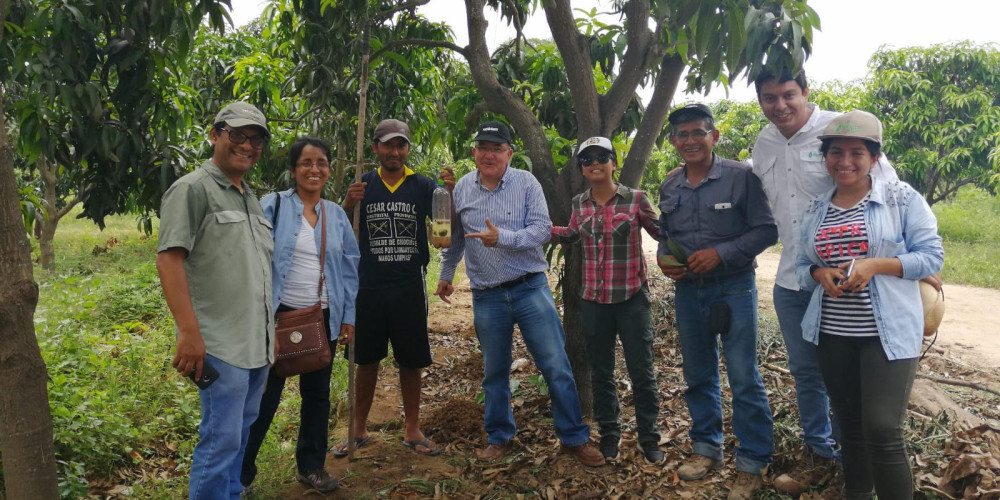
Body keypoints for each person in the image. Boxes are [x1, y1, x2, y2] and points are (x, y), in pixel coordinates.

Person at [751, 68, 906, 494]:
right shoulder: (763, 143)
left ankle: (856, 459)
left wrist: (908, 261)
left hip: (850, 285)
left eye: (788, 95)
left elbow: (891, 195)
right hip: (793, 279)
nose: (779, 106)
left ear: (805, 92)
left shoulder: (842, 134)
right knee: (806, 373)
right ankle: (821, 452)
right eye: (769, 98)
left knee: (850, 379)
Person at [434, 121, 605, 467]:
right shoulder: (463, 188)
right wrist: (446, 275)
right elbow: (455, 238)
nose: (489, 154)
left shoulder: (526, 182)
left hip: (529, 288)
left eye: (497, 148)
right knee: (494, 371)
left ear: (509, 153)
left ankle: (574, 437)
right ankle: (499, 436)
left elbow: (542, 229)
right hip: (487, 296)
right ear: (474, 152)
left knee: (556, 366)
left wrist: (504, 238)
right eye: (483, 147)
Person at [796, 110, 943, 500]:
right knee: (850, 423)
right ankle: (858, 493)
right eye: (836, 152)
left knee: (882, 428)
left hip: (887, 333)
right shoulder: (816, 209)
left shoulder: (900, 199)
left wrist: (877, 265)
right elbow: (798, 267)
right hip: (833, 334)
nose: (845, 162)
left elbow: (931, 258)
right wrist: (817, 273)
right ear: (824, 157)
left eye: (857, 153)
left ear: (874, 158)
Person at [657, 104, 777, 500]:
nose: (690, 141)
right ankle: (706, 447)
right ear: (674, 141)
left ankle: (752, 460)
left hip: (733, 287)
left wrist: (721, 254)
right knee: (698, 374)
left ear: (714, 137)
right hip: (689, 291)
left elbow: (765, 230)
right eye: (682, 135)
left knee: (743, 376)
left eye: (698, 133)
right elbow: (665, 233)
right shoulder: (671, 184)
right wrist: (663, 257)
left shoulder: (741, 178)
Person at [156, 102, 274, 500]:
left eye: (255, 139)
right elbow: (170, 259)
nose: (247, 145)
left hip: (257, 344)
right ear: (215, 134)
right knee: (220, 441)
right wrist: (189, 332)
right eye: (237, 134)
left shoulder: (250, 197)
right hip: (220, 345)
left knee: (240, 438)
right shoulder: (193, 189)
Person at [240, 137, 360, 493]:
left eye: (321, 162)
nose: (314, 169)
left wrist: (348, 316)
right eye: (306, 163)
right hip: (278, 317)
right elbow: (251, 254)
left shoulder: (336, 214)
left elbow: (351, 268)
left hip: (323, 317)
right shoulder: (273, 206)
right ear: (293, 170)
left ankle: (311, 467)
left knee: (318, 396)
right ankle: (241, 474)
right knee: (263, 399)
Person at [338, 119, 453, 457]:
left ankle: (412, 428)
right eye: (388, 145)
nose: (395, 151)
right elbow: (341, 235)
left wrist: (451, 195)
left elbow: (444, 234)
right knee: (366, 359)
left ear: (407, 148)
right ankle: (357, 428)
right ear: (375, 148)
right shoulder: (362, 185)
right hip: (368, 286)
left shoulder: (423, 185)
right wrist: (347, 203)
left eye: (401, 145)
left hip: (408, 285)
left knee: (410, 359)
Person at [550, 136, 663, 464]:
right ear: (582, 169)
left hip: (631, 300)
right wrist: (531, 231)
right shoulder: (579, 204)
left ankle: (649, 437)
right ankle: (610, 434)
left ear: (614, 162)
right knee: (601, 372)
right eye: (587, 159)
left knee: (641, 371)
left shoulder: (636, 199)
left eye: (602, 156)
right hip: (593, 301)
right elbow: (571, 234)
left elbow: (661, 233)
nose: (594, 162)